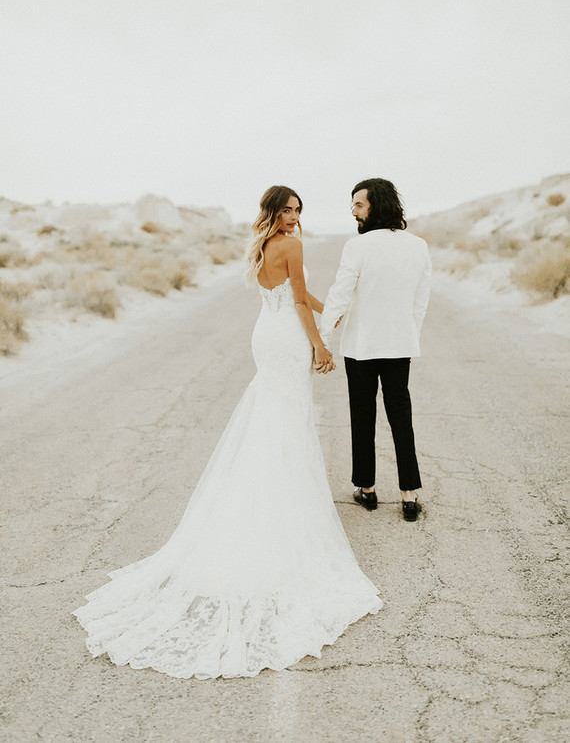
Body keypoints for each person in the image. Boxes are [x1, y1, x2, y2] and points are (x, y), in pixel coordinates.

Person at [73, 185, 382, 680]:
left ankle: (270, 497)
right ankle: (281, 510)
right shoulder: (294, 245)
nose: (294, 217)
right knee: (287, 424)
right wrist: (321, 346)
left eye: (298, 210)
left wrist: (333, 312)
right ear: (274, 212)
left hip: (266, 336)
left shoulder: (262, 243)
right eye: (287, 210)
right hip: (286, 341)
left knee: (273, 421)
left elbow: (295, 297)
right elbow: (299, 302)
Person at [319, 178, 431, 521]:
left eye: (358, 205)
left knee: (363, 415)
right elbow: (420, 302)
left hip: (361, 345)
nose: (353, 212)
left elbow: (339, 295)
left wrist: (322, 339)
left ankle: (366, 490)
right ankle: (409, 494)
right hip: (399, 343)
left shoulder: (358, 247)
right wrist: (409, 334)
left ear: (376, 206)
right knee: (401, 417)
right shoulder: (419, 246)